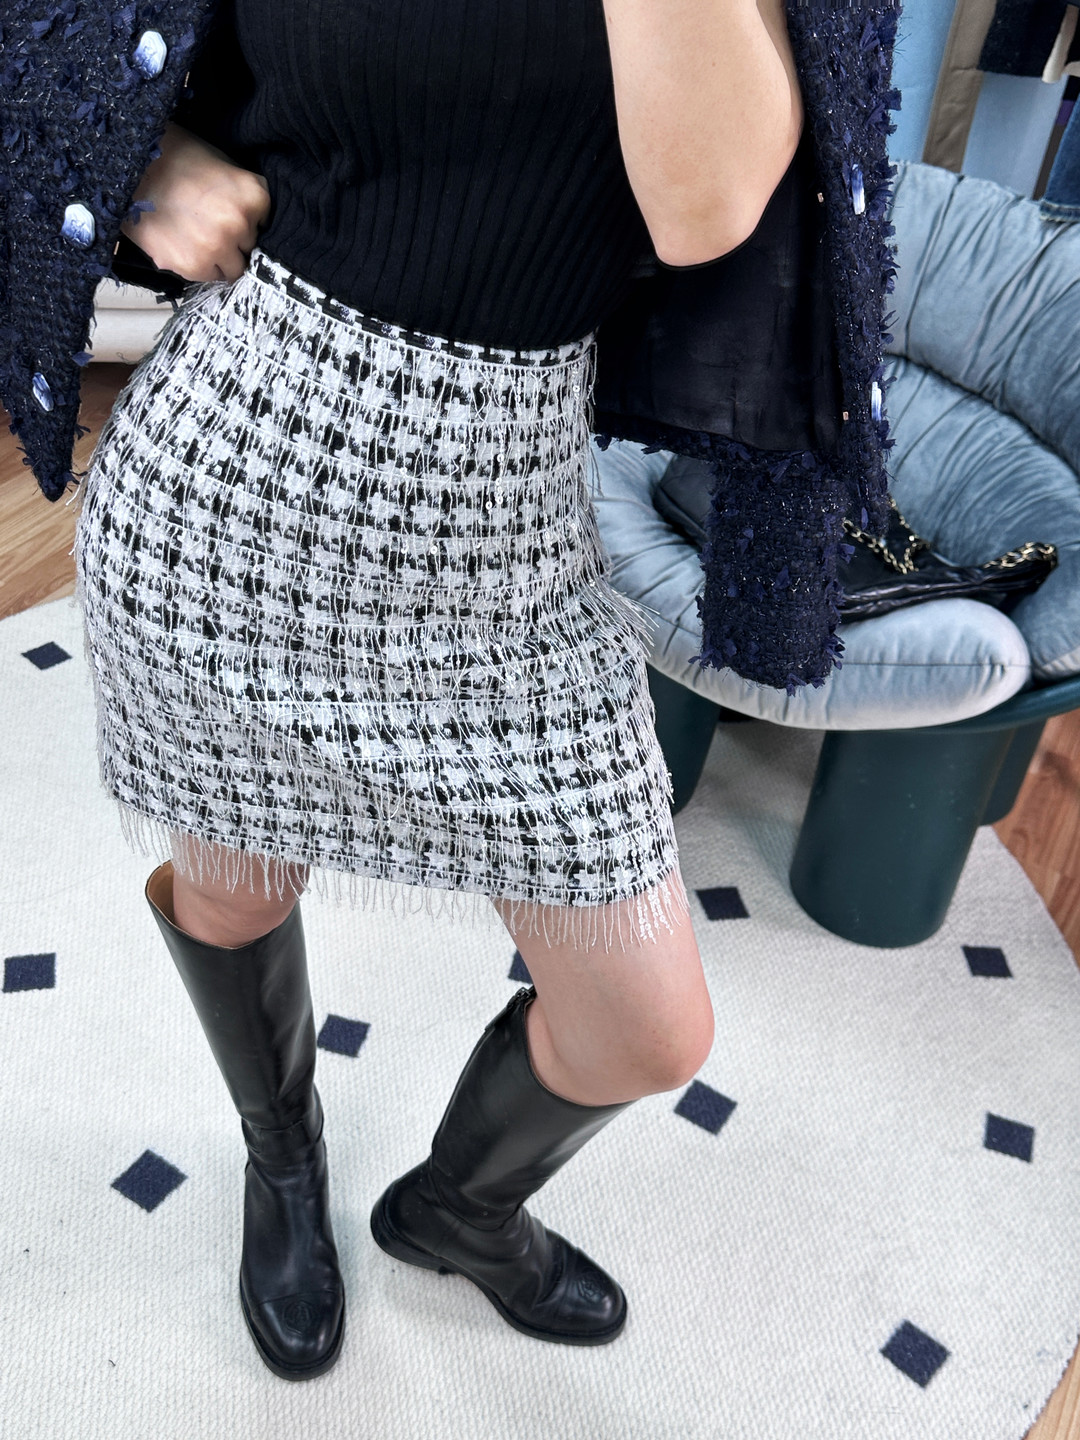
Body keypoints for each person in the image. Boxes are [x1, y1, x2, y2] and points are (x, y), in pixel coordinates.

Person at [32, 0, 838, 1384]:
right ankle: (284, 1160)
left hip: (513, 540)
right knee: (236, 895)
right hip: (231, 501)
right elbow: (44, 36)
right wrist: (139, 158)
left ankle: (458, 1210)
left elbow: (707, 204)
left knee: (648, 1027)